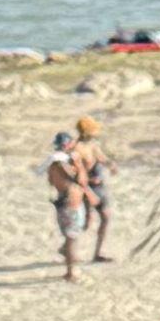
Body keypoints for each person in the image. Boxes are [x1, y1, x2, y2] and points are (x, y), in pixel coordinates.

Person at [46, 130, 90, 283]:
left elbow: (51, 182)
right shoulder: (63, 163)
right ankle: (71, 273)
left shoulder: (53, 164)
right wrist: (79, 165)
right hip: (71, 204)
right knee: (72, 238)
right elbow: (81, 180)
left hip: (63, 202)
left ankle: (69, 262)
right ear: (67, 145)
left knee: (70, 236)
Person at [70, 113, 114, 262]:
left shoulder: (92, 144)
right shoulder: (76, 149)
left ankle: (97, 253)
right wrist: (89, 180)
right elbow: (73, 173)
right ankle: (67, 246)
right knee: (86, 223)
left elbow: (101, 157)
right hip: (86, 188)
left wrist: (111, 165)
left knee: (105, 217)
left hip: (99, 186)